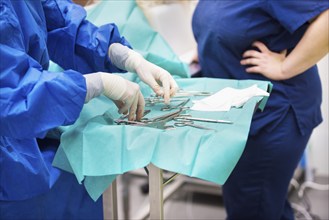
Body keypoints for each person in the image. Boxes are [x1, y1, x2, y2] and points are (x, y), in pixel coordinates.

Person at [0, 0, 178, 219]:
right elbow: (12, 94)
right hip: (10, 169)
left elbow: (61, 22)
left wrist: (122, 54)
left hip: (36, 149)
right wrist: (94, 84)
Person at [192, 1, 328, 220]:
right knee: (261, 204)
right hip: (240, 114)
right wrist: (211, 48)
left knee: (253, 207)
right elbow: (224, 22)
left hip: (273, 116)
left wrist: (284, 68)